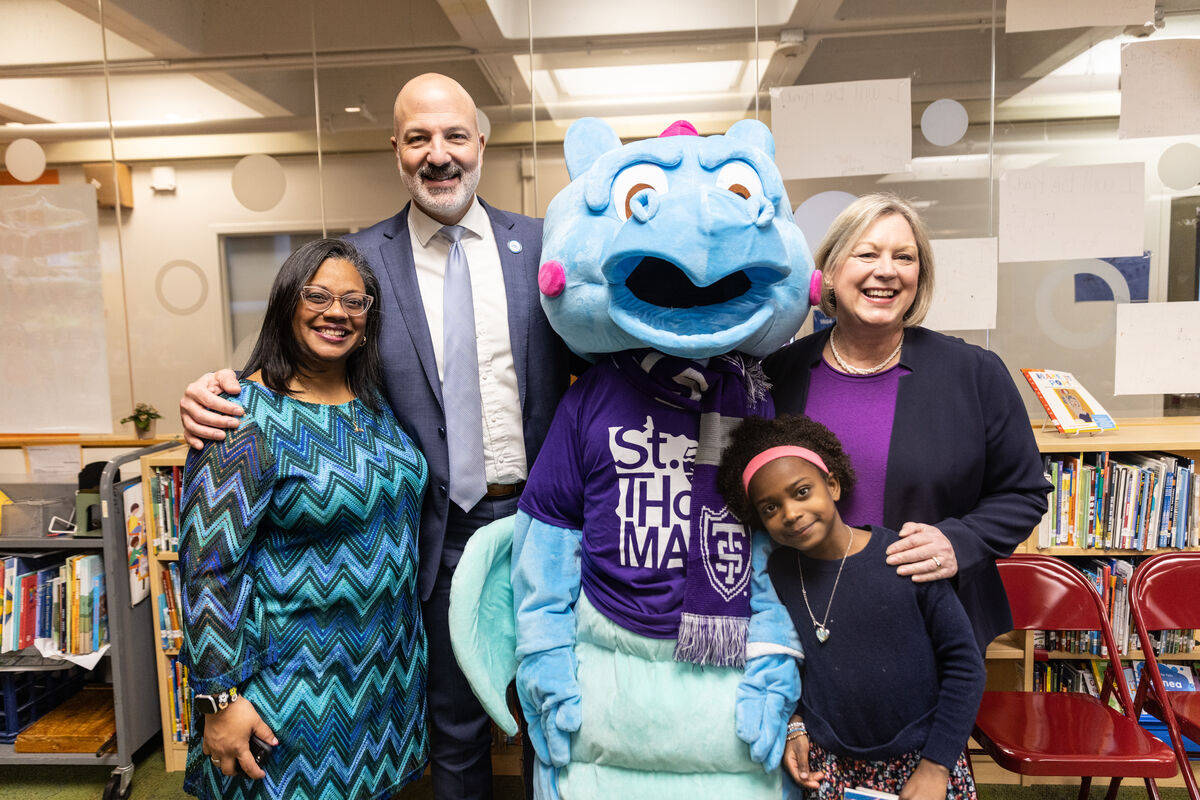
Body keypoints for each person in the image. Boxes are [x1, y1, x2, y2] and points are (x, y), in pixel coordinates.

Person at [178, 73, 572, 799]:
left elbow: (607, 353)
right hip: (436, 536)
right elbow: (301, 359)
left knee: (560, 723)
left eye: (454, 134)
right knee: (454, 731)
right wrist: (213, 391)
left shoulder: (548, 246)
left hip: (547, 528)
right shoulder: (363, 264)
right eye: (418, 138)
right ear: (395, 150)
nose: (438, 153)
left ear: (481, 142)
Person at [178, 239, 428, 799]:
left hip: (383, 676)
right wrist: (219, 699)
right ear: (287, 303)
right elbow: (206, 568)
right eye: (317, 296)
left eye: (354, 302)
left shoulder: (375, 405)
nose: (336, 312)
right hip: (288, 688)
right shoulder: (242, 417)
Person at [763, 192, 1050, 652]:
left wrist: (959, 541)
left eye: (904, 257)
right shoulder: (777, 376)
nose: (887, 270)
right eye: (867, 254)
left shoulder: (974, 373)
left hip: (931, 627)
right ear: (831, 272)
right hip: (803, 623)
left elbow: (1023, 491)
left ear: (920, 276)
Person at [717, 414, 985, 800]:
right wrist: (795, 726)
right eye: (770, 508)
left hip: (924, 763)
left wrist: (936, 766)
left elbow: (966, 665)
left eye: (802, 492)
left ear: (833, 485)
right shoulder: (776, 574)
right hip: (833, 771)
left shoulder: (904, 558)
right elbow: (790, 663)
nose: (790, 513)